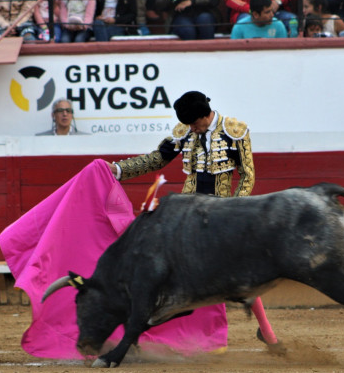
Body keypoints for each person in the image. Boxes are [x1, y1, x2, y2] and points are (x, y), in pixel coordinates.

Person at [106, 90, 281, 347]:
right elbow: (157, 159)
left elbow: (247, 174)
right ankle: (145, 330)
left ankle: (267, 332)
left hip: (221, 211)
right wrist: (120, 169)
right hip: (186, 212)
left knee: (238, 270)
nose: (192, 129)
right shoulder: (186, 130)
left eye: (195, 124)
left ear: (205, 115)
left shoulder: (235, 130)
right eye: (188, 124)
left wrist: (236, 208)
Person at [224, 0, 296, 36]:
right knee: (245, 22)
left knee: (293, 21)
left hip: (276, 10)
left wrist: (279, 0)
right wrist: (252, 9)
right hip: (248, 12)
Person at [155, 0, 220, 40]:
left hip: (204, 12)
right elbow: (159, 3)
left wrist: (192, 1)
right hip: (179, 15)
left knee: (205, 20)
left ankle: (208, 52)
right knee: (188, 30)